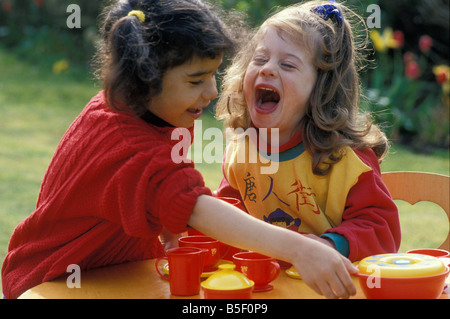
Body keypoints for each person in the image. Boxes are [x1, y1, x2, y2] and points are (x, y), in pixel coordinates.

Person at [2, 0, 358, 299]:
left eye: (213, 75)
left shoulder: (157, 116)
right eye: (195, 80)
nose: (212, 92)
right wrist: (300, 248)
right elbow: (192, 205)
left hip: (118, 277)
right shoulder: (125, 144)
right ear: (145, 78)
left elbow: (157, 200)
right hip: (53, 285)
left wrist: (172, 237)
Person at [215, 0, 401, 263]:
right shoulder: (241, 150)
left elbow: (382, 229)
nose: (267, 68)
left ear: (320, 90)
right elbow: (225, 220)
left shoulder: (348, 159)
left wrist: (329, 244)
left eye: (288, 65)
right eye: (260, 59)